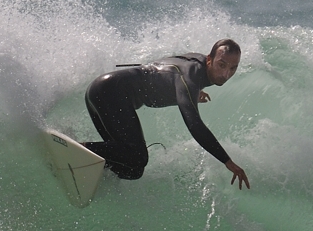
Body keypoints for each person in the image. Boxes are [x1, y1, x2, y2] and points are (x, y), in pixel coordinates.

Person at [82, 38, 250, 189]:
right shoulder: (190, 77)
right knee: (137, 156)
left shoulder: (195, 67)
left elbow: (170, 69)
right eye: (221, 65)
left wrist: (190, 91)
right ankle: (77, 148)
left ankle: (79, 160)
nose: (226, 74)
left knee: (132, 170)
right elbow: (194, 124)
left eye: (233, 68)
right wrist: (227, 161)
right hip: (111, 91)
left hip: (104, 91)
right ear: (209, 59)